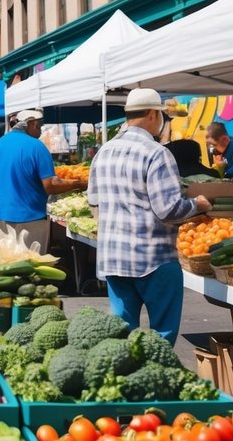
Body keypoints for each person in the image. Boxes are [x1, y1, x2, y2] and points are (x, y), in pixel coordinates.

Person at [87, 88, 212, 344]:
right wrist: (197, 205)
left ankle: (126, 371)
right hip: (153, 259)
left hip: (114, 257)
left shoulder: (103, 152)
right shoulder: (157, 153)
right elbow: (167, 209)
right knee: (161, 338)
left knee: (122, 337)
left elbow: (93, 201)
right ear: (153, 114)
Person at [0, 109, 86, 253]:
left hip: (3, 216)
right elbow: (50, 185)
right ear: (32, 124)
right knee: (32, 263)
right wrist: (79, 184)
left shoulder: (0, 143)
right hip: (31, 218)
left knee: (7, 261)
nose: (40, 130)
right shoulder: (36, 146)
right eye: (39, 125)